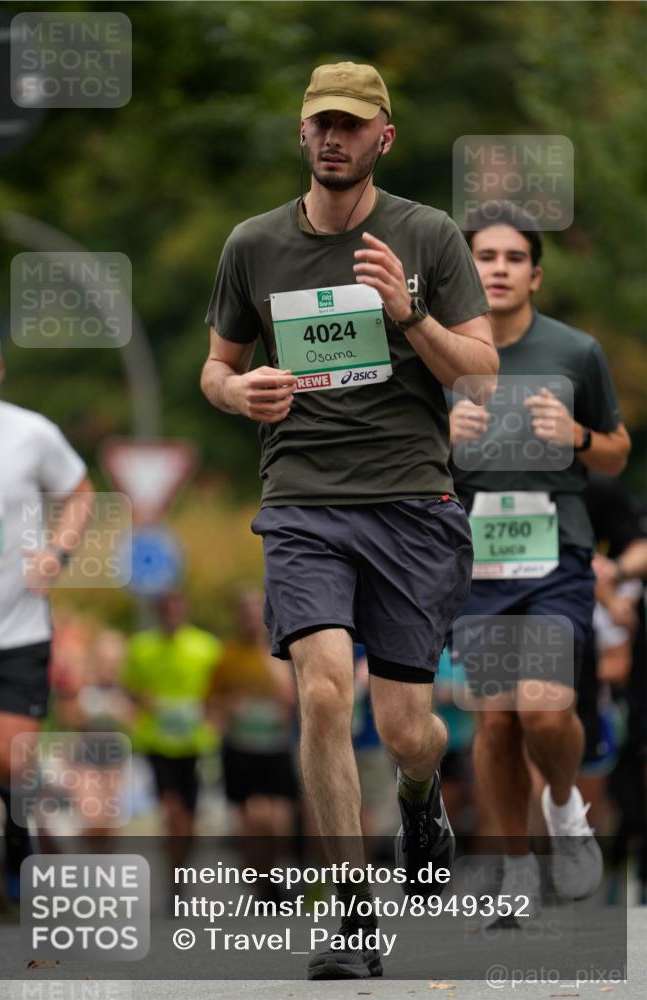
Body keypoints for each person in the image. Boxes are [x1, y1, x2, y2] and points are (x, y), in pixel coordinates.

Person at [201, 62, 498, 979]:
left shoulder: (426, 234)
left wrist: (407, 313)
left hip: (409, 500)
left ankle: (420, 794)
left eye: (352, 125)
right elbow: (216, 368)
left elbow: (479, 373)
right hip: (300, 501)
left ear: (383, 138)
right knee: (323, 690)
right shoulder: (252, 245)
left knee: (407, 725)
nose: (334, 138)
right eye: (320, 123)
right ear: (302, 134)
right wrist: (237, 390)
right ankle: (352, 916)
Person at [447, 201, 631, 923]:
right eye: (483, 257)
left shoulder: (574, 351)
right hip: (476, 562)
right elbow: (405, 461)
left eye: (511, 258)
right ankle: (517, 864)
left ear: (534, 274)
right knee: (494, 726)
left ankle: (563, 811)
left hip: (556, 551)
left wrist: (580, 435)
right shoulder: (440, 355)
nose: (496, 268)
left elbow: (615, 449)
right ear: (464, 271)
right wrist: (444, 435)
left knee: (545, 711)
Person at [0, 320, 94, 918]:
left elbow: (80, 493)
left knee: (8, 756)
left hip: (16, 627)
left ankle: (19, 859)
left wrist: (58, 551)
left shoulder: (30, 433)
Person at [122, 591, 222, 879]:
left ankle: (183, 864)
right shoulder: (140, 647)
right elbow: (128, 687)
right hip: (157, 741)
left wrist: (211, 712)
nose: (172, 616)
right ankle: (174, 875)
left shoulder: (206, 646)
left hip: (195, 742)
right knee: (172, 811)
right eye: (166, 611)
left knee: (188, 817)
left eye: (176, 610)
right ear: (158, 613)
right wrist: (143, 699)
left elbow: (219, 691)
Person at [207, 589, 299, 898]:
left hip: (275, 744)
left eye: (255, 611)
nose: (250, 618)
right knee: (251, 818)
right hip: (241, 745)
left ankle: (275, 873)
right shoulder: (227, 655)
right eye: (244, 612)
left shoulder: (284, 651)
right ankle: (261, 886)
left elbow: (299, 698)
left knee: (277, 819)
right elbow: (210, 703)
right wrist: (227, 708)